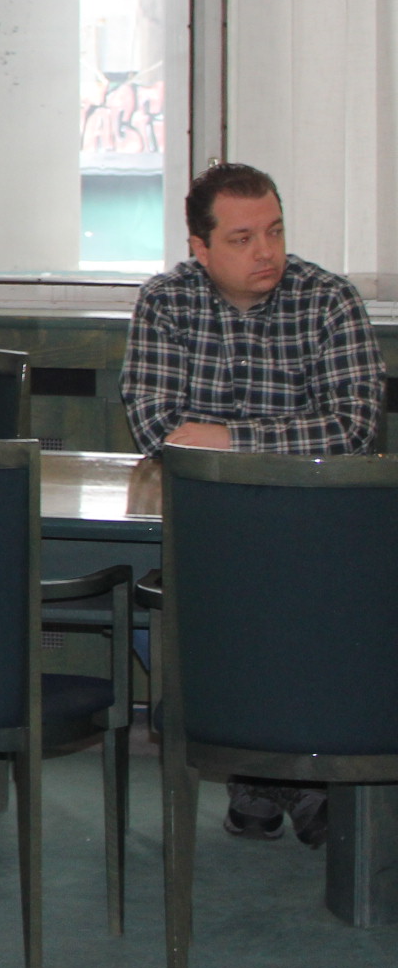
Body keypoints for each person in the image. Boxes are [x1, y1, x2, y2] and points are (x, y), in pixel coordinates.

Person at [122, 161, 377, 846]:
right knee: (156, 596)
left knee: (300, 600)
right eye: (241, 238)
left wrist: (232, 438)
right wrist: (263, 443)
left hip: (314, 524)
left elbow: (352, 426)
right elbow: (155, 424)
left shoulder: (330, 300)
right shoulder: (166, 302)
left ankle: (274, 775)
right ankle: (270, 772)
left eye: (275, 231)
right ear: (200, 248)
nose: (266, 251)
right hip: (207, 523)